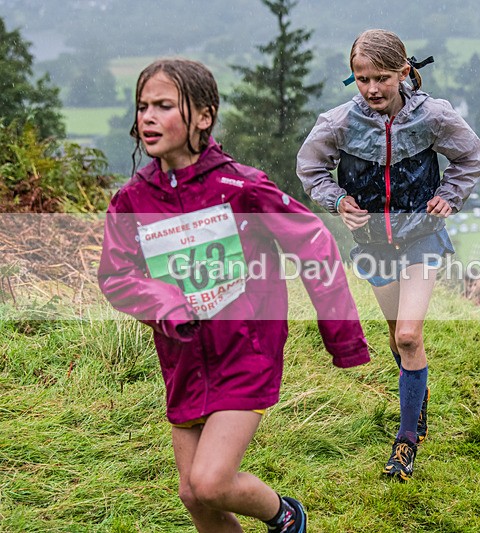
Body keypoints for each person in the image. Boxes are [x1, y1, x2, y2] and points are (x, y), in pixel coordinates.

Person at [98, 58, 370, 533]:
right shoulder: (132, 200)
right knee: (194, 496)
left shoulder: (241, 186)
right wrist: (163, 304)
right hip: (182, 358)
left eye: (164, 106)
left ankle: (286, 517)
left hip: (246, 350)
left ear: (204, 116)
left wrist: (342, 338)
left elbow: (316, 244)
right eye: (143, 106)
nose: (147, 117)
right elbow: (116, 275)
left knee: (210, 481)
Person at [297, 29, 480, 481]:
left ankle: (405, 442)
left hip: (421, 238)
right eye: (362, 79)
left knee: (407, 335)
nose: (373, 89)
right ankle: (416, 398)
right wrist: (338, 201)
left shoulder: (433, 116)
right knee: (397, 337)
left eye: (382, 77)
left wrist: (450, 195)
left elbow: (470, 156)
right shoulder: (340, 122)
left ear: (404, 72)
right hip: (374, 246)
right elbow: (310, 167)